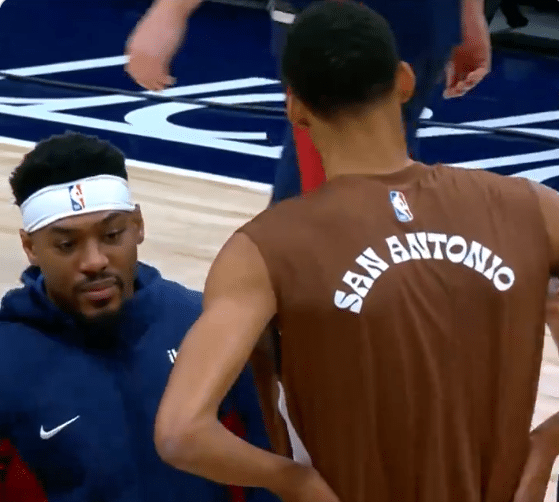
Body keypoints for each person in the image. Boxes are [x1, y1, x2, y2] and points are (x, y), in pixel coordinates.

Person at [152, 3, 559, 502]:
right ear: (406, 80)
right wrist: (542, 449)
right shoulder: (532, 208)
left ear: (294, 107)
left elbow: (181, 433)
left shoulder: (261, 251)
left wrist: (293, 481)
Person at [0, 131, 278, 502]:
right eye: (67, 245)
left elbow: (267, 462)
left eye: (112, 235)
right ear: (30, 247)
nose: (94, 261)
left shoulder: (200, 322)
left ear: (139, 226)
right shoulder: (7, 360)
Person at [124, 0, 491, 201]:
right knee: (319, 164)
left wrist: (469, 15)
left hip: (423, 15)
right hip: (331, 14)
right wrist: (171, 10)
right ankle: (292, 308)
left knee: (392, 154)